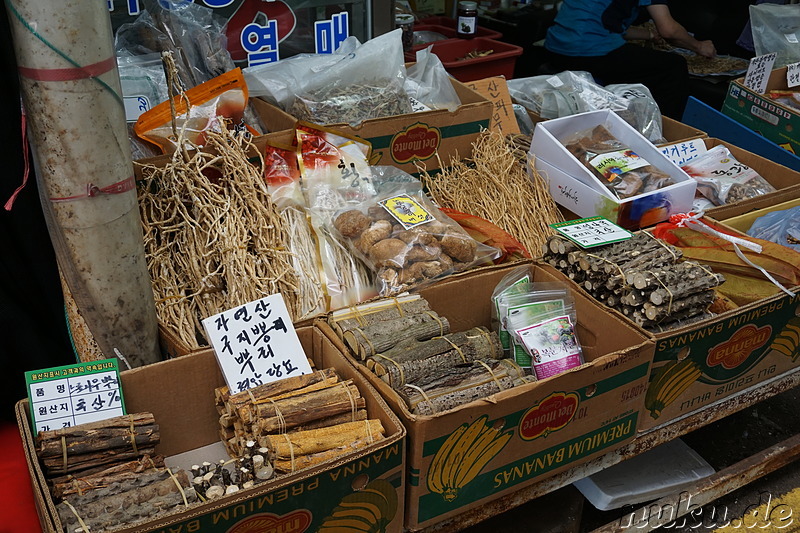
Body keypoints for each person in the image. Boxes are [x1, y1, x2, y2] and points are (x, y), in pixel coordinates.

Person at [543, 0, 717, 119]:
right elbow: (669, 30)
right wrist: (699, 46)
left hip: (555, 48)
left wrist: (648, 35)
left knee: (636, 60)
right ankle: (665, 130)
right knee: (674, 66)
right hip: (589, 53)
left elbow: (606, 24)